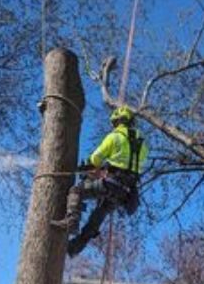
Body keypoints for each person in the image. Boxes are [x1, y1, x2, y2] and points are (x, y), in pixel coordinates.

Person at [51, 105, 148, 256]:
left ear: (117, 122)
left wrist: (87, 165)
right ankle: (75, 247)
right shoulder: (143, 145)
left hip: (111, 184)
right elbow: (129, 166)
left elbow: (96, 158)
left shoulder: (114, 137)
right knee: (97, 217)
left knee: (76, 191)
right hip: (125, 193)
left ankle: (72, 221)